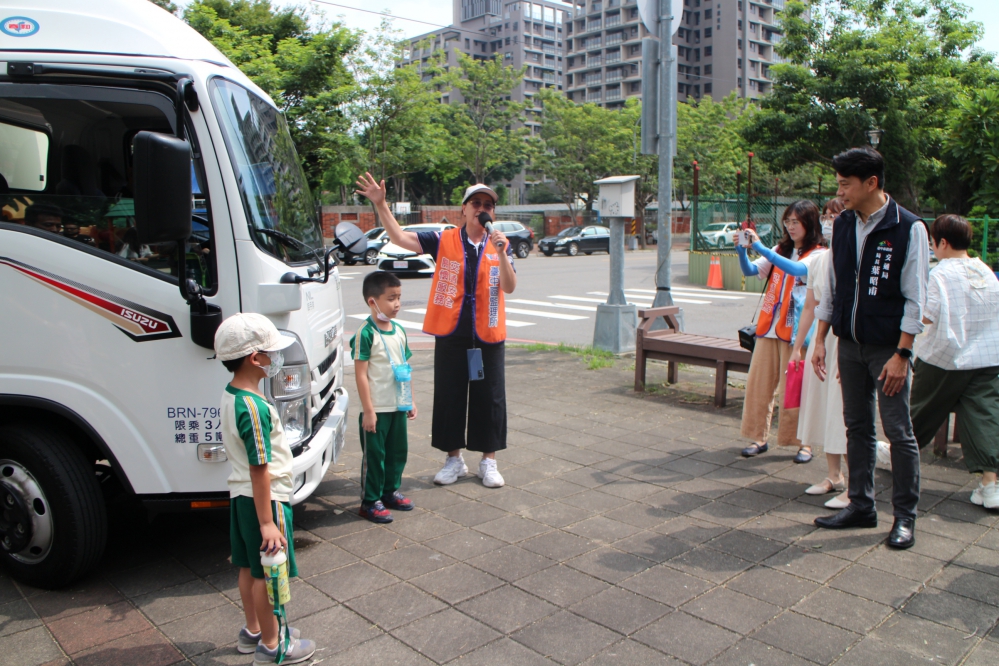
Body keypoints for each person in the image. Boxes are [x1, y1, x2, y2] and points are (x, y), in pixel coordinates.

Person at [355, 174, 516, 488]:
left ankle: (489, 461)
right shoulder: (444, 239)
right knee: (449, 397)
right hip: (452, 333)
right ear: (464, 210)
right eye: (476, 203)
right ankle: (454, 459)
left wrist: (500, 253)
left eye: (488, 205)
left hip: (487, 334)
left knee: (490, 398)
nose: (482, 209)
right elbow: (400, 238)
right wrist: (381, 204)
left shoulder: (500, 244)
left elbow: (509, 287)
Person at [812, 147, 928, 550]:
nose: (839, 192)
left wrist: (903, 354)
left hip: (888, 349)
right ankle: (861, 505)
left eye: (845, 184)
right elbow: (834, 286)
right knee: (857, 426)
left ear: (871, 183)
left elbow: (916, 299)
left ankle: (905, 517)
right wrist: (821, 340)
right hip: (849, 343)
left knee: (898, 431)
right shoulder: (844, 224)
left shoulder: (908, 227)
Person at [214, 313, 316, 664]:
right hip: (265, 499)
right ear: (255, 359)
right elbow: (260, 467)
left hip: (241, 496)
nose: (276, 358)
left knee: (248, 567)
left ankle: (254, 630)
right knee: (270, 574)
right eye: (271, 353)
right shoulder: (254, 407)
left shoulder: (233, 395)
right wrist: (268, 522)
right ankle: (274, 645)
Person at [910, 215, 999, 509]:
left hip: (944, 357)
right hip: (986, 358)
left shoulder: (940, 273)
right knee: (984, 417)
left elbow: (926, 315)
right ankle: (990, 485)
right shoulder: (985, 270)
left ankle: (899, 456)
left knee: (919, 413)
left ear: (943, 243)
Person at [735, 201, 826, 462]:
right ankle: (758, 437)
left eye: (796, 221)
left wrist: (761, 248)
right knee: (758, 386)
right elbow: (751, 270)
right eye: (787, 221)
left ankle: (804, 443)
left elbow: (797, 269)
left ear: (810, 223)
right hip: (769, 329)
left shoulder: (819, 254)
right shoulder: (780, 249)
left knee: (796, 389)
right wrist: (742, 251)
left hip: (797, 332)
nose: (791, 227)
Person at [350, 271, 417, 523]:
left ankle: (390, 491)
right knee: (375, 456)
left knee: (397, 452)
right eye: (391, 298)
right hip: (376, 409)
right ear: (372, 301)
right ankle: (370, 501)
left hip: (398, 405)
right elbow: (361, 375)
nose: (397, 304)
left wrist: (410, 400)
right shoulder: (365, 333)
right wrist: (368, 410)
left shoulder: (399, 330)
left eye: (398, 297)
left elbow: (405, 368)